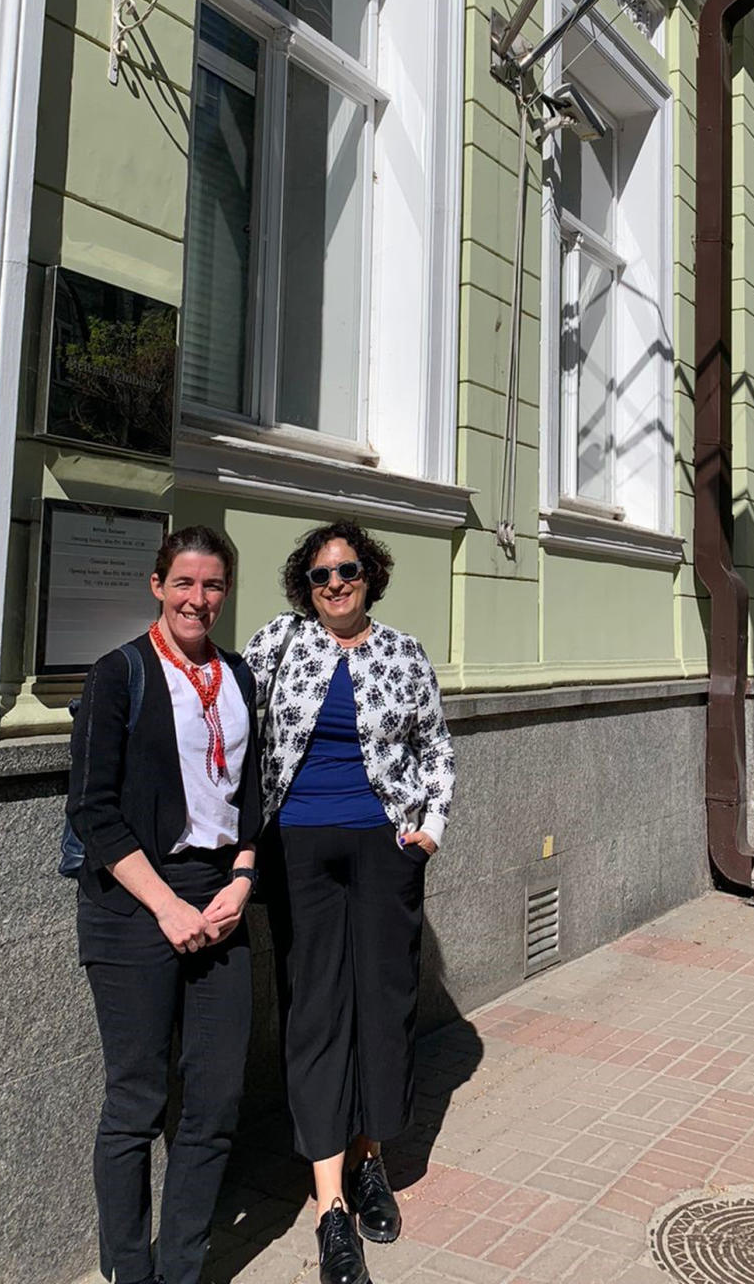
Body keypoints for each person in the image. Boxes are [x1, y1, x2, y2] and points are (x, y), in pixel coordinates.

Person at [244, 519, 454, 1284]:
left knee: (384, 1005)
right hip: (298, 850)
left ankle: (371, 1159)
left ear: (371, 576)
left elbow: (436, 746)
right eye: (321, 575)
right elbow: (233, 719)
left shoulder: (401, 652)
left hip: (383, 849)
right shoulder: (280, 644)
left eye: (349, 570)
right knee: (316, 1011)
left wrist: (428, 829)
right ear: (306, 585)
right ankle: (331, 1205)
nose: (335, 584)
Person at [67, 523, 261, 1284]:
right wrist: (166, 909)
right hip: (133, 901)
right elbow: (93, 809)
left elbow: (252, 798)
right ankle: (128, 1273)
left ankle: (180, 1271)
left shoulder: (240, 678)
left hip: (223, 899)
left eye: (213, 585)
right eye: (184, 582)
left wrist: (243, 881)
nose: (199, 598)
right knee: (137, 1103)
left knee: (214, 1102)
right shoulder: (120, 674)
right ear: (157, 586)